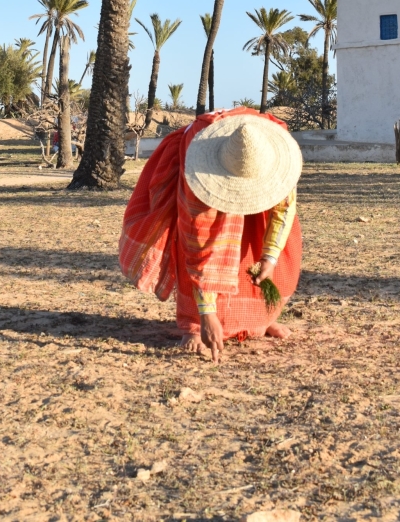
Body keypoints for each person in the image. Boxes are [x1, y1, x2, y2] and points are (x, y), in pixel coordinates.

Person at [119, 108, 302, 362]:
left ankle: (259, 320)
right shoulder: (198, 178)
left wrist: (269, 258)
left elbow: (283, 211)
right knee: (205, 251)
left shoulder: (274, 155)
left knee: (254, 250)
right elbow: (200, 247)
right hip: (207, 177)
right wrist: (206, 314)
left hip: (244, 165)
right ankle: (193, 324)